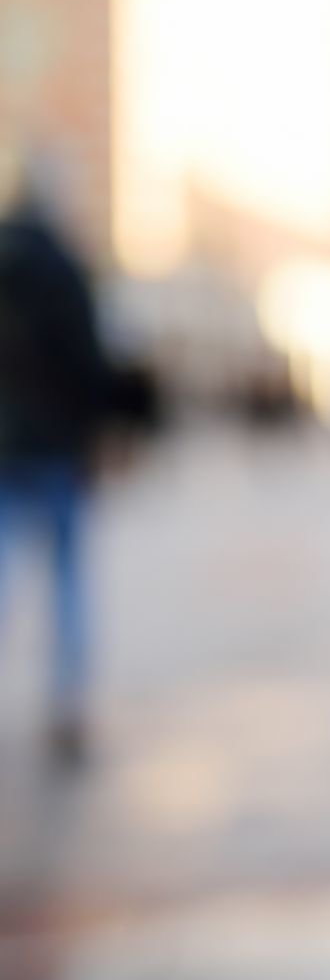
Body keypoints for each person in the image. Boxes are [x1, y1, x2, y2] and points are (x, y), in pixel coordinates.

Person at [0, 171, 109, 766]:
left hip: (5, 445)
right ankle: (69, 701)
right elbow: (89, 363)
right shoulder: (66, 269)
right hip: (58, 447)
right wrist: (94, 436)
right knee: (67, 576)